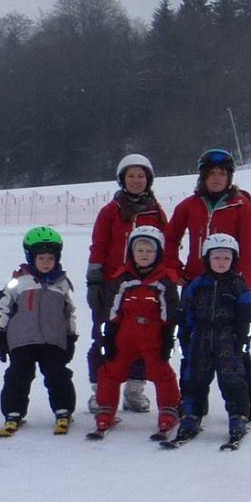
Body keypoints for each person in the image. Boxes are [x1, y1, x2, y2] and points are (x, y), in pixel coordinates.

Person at [168, 149, 251, 417]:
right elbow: (170, 239)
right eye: (211, 174)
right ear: (202, 177)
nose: (216, 178)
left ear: (230, 177)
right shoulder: (189, 206)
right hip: (196, 286)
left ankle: (250, 401)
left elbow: (250, 250)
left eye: (222, 174)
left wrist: (244, 288)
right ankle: (190, 403)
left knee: (236, 347)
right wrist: (173, 269)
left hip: (230, 288)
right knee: (190, 346)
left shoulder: (241, 207)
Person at [88, 154, 170, 415]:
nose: (136, 181)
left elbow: (167, 247)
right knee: (104, 337)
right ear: (122, 179)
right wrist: (94, 280)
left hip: (144, 286)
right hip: (112, 285)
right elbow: (99, 246)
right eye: (131, 176)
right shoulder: (110, 211)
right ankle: (100, 390)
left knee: (144, 336)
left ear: (149, 180)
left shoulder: (155, 212)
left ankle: (135, 389)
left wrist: (165, 280)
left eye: (141, 176)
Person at [89, 228, 182, 439]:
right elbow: (112, 311)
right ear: (131, 252)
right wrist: (109, 337)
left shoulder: (165, 280)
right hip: (125, 336)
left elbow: (170, 313)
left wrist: (168, 337)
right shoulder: (122, 278)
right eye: (139, 250)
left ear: (158, 253)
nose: (144, 254)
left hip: (153, 337)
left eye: (149, 251)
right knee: (110, 372)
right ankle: (105, 411)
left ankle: (168, 410)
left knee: (163, 374)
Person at [0, 226, 79, 436]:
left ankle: (63, 409)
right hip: (22, 340)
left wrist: (71, 336)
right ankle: (13, 412)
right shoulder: (19, 282)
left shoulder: (62, 284)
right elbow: (4, 308)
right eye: (41, 258)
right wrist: (0, 333)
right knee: (18, 375)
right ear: (31, 258)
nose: (46, 263)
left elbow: (70, 312)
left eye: (51, 258)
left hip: (53, 340)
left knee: (58, 374)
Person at [173, 234, 251, 445]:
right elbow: (186, 306)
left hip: (227, 339)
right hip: (200, 338)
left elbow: (248, 301)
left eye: (226, 258)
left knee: (232, 379)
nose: (221, 262)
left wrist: (247, 312)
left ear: (233, 261)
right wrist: (184, 326)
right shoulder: (198, 284)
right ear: (207, 259)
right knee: (194, 379)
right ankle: (192, 415)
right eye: (217, 258)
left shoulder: (237, 284)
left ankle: (238, 416)